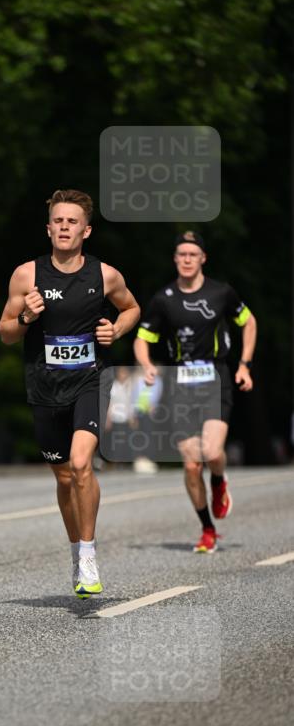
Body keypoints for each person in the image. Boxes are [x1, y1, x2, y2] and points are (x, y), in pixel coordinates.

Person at [0, 189, 140, 597]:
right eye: (58, 221)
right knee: (64, 477)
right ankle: (76, 550)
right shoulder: (27, 275)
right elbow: (6, 333)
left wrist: (117, 329)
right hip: (44, 386)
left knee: (81, 465)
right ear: (48, 229)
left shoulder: (104, 275)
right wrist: (26, 316)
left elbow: (131, 308)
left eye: (72, 221)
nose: (64, 227)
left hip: (90, 380)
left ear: (86, 230)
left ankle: (90, 554)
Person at [133, 230, 257, 552]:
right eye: (181, 254)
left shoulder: (222, 293)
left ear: (203, 258)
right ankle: (207, 530)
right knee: (191, 464)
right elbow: (143, 338)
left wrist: (244, 364)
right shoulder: (163, 299)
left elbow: (249, 322)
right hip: (181, 385)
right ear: (175, 259)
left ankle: (218, 482)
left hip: (216, 378)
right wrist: (145, 364)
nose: (187, 259)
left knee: (213, 453)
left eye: (193, 254)